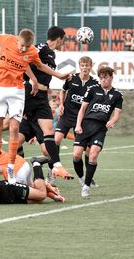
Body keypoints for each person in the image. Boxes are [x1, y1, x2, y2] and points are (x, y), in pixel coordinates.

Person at [0, 16, 70, 185]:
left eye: (26, 47)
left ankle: (14, 168)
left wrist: (54, 78)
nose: (23, 49)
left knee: (19, 130)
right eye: (21, 45)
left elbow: (36, 66)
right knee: (0, 125)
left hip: (24, 94)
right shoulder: (11, 40)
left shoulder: (32, 51)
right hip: (6, 89)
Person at [20, 26, 75, 185]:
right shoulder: (42, 48)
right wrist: (32, 81)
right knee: (12, 134)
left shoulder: (50, 54)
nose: (62, 43)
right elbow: (26, 60)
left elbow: (42, 72)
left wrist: (50, 91)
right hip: (30, 94)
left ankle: (52, 170)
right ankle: (16, 172)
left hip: (42, 97)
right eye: (63, 40)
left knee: (46, 146)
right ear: (58, 38)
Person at [74, 67, 123, 197]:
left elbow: (116, 113)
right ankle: (81, 178)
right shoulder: (93, 89)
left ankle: (86, 186)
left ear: (111, 77)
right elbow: (82, 109)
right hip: (85, 125)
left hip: (100, 128)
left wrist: (112, 121)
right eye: (101, 77)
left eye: (106, 77)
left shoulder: (117, 95)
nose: (103, 79)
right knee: (76, 155)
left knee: (93, 154)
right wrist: (78, 125)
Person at [55, 56, 99, 187]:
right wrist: (61, 104)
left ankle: (85, 178)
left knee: (84, 151)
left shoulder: (94, 83)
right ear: (80, 66)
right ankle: (54, 168)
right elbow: (63, 91)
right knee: (56, 140)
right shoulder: (71, 78)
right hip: (66, 115)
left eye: (87, 65)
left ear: (91, 67)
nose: (85, 68)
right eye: (83, 65)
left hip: (81, 119)